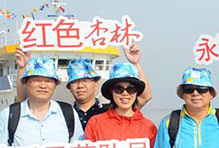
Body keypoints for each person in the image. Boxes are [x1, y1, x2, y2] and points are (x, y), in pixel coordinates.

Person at [14, 44, 153, 128]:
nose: (80, 85)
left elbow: (145, 97)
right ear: (69, 87)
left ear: (96, 84)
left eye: (86, 80)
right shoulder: (63, 113)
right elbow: (25, 99)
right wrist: (22, 67)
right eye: (75, 81)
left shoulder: (110, 110)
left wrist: (136, 63)